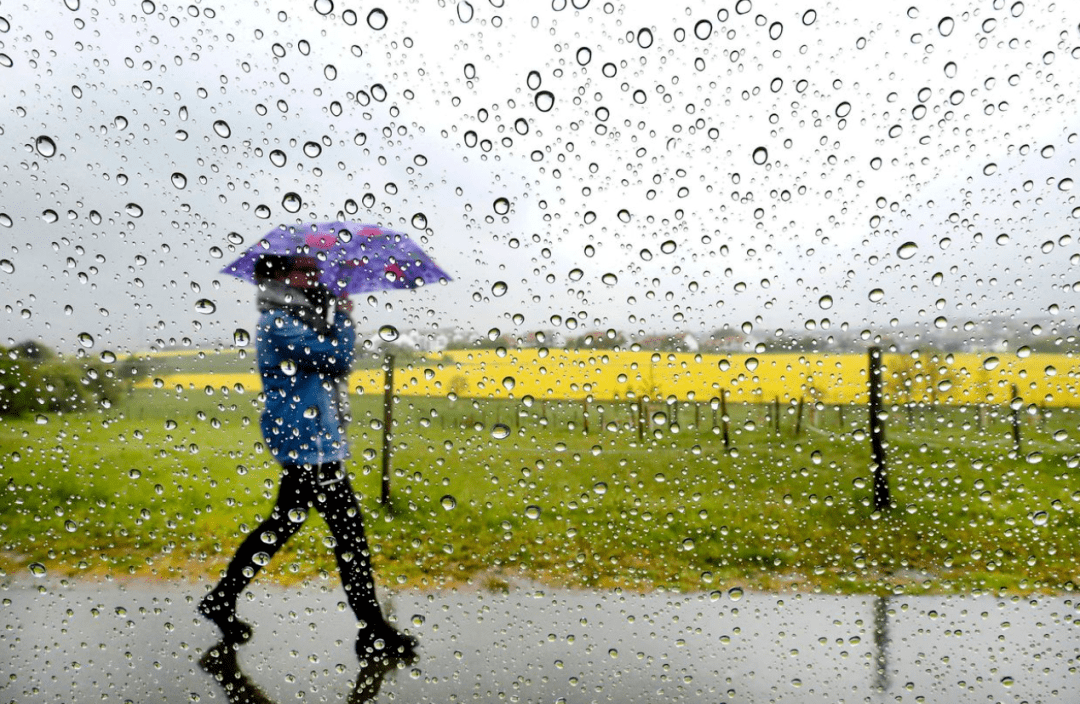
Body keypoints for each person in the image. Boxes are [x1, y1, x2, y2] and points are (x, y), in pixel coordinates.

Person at [199, 253, 417, 660]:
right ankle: (372, 631)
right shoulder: (279, 323)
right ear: (282, 277)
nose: (319, 276)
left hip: (313, 439)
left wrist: (331, 311)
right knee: (349, 536)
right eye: (308, 270)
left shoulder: (295, 317)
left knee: (284, 525)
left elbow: (326, 363)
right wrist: (346, 316)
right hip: (307, 443)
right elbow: (336, 360)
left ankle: (222, 598)